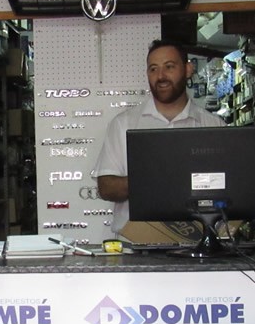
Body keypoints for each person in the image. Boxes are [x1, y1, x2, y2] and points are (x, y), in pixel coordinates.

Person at [94, 38, 226, 234]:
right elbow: (106, 187)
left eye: (169, 67)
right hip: (137, 242)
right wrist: (163, 179)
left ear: (188, 69)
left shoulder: (214, 126)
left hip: (199, 239)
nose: (161, 76)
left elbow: (227, 186)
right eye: (153, 69)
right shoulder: (124, 124)